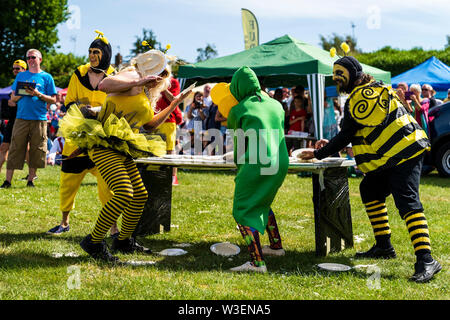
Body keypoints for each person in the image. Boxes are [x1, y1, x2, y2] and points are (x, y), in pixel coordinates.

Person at [300, 56, 441, 283]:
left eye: (340, 74)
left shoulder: (361, 97)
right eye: (335, 74)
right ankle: (384, 246)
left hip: (403, 151)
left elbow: (347, 133)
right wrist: (330, 145)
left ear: (353, 75)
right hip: (394, 154)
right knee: (370, 189)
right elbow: (362, 130)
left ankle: (426, 260)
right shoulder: (370, 90)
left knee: (407, 201)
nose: (336, 79)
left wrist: (316, 154)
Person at [59, 46, 192, 262]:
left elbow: (149, 125)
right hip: (103, 141)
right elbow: (104, 84)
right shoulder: (132, 74)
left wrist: (175, 103)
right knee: (124, 192)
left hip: (121, 145)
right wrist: (139, 81)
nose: (162, 79)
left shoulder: (147, 91)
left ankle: (123, 240)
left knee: (139, 194)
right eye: (162, 74)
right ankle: (93, 241)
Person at [211, 66, 289, 273]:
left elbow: (240, 148)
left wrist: (240, 166)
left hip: (256, 162)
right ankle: (275, 247)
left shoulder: (239, 110)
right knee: (263, 201)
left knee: (243, 210)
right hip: (280, 162)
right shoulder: (277, 105)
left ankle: (257, 263)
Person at [46, 31, 118, 236]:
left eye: (96, 52)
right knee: (69, 180)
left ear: (105, 53)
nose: (92, 55)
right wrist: (82, 108)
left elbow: (116, 104)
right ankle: (64, 222)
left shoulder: (114, 75)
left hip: (103, 137)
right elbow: (69, 102)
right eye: (90, 52)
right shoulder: (79, 73)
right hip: (77, 133)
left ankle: (113, 228)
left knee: (107, 185)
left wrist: (98, 111)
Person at [1, 49, 57, 188]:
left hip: (39, 118)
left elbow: (53, 99)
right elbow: (13, 98)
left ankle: (30, 180)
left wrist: (38, 94)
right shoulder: (21, 76)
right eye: (28, 58)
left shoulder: (47, 77)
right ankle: (7, 181)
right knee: (15, 148)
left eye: (33, 57)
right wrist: (22, 93)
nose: (31, 60)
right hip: (21, 118)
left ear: (40, 59)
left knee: (36, 150)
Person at [154, 67, 183, 185]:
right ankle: (157, 175)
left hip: (168, 120)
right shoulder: (152, 81)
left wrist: (163, 86)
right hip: (153, 120)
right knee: (155, 149)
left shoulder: (174, 82)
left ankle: (173, 177)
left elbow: (174, 100)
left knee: (170, 150)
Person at [0, 60, 27, 173]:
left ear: (24, 70)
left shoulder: (27, 82)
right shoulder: (15, 83)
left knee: (27, 149)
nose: (15, 70)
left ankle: (32, 175)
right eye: (14, 68)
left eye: (18, 68)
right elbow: (11, 101)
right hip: (12, 120)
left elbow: (14, 101)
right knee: (4, 147)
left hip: (23, 119)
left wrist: (13, 100)